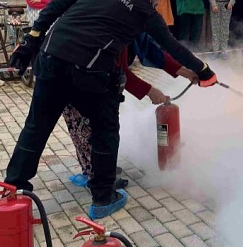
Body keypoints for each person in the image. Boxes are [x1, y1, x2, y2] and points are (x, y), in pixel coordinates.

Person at [5, 0, 219, 220]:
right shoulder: (142, 8)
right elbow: (171, 45)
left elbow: (56, 6)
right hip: (89, 71)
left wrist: (31, 41)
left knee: (36, 127)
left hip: (50, 59)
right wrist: (205, 71)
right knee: (105, 129)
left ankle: (14, 189)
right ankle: (103, 198)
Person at [67, 34, 198, 188]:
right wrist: (149, 90)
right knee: (86, 128)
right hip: (76, 77)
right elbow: (117, 68)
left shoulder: (134, 23)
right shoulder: (113, 25)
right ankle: (99, 182)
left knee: (105, 126)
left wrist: (187, 72)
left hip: (102, 79)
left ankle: (102, 168)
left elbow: (152, 51)